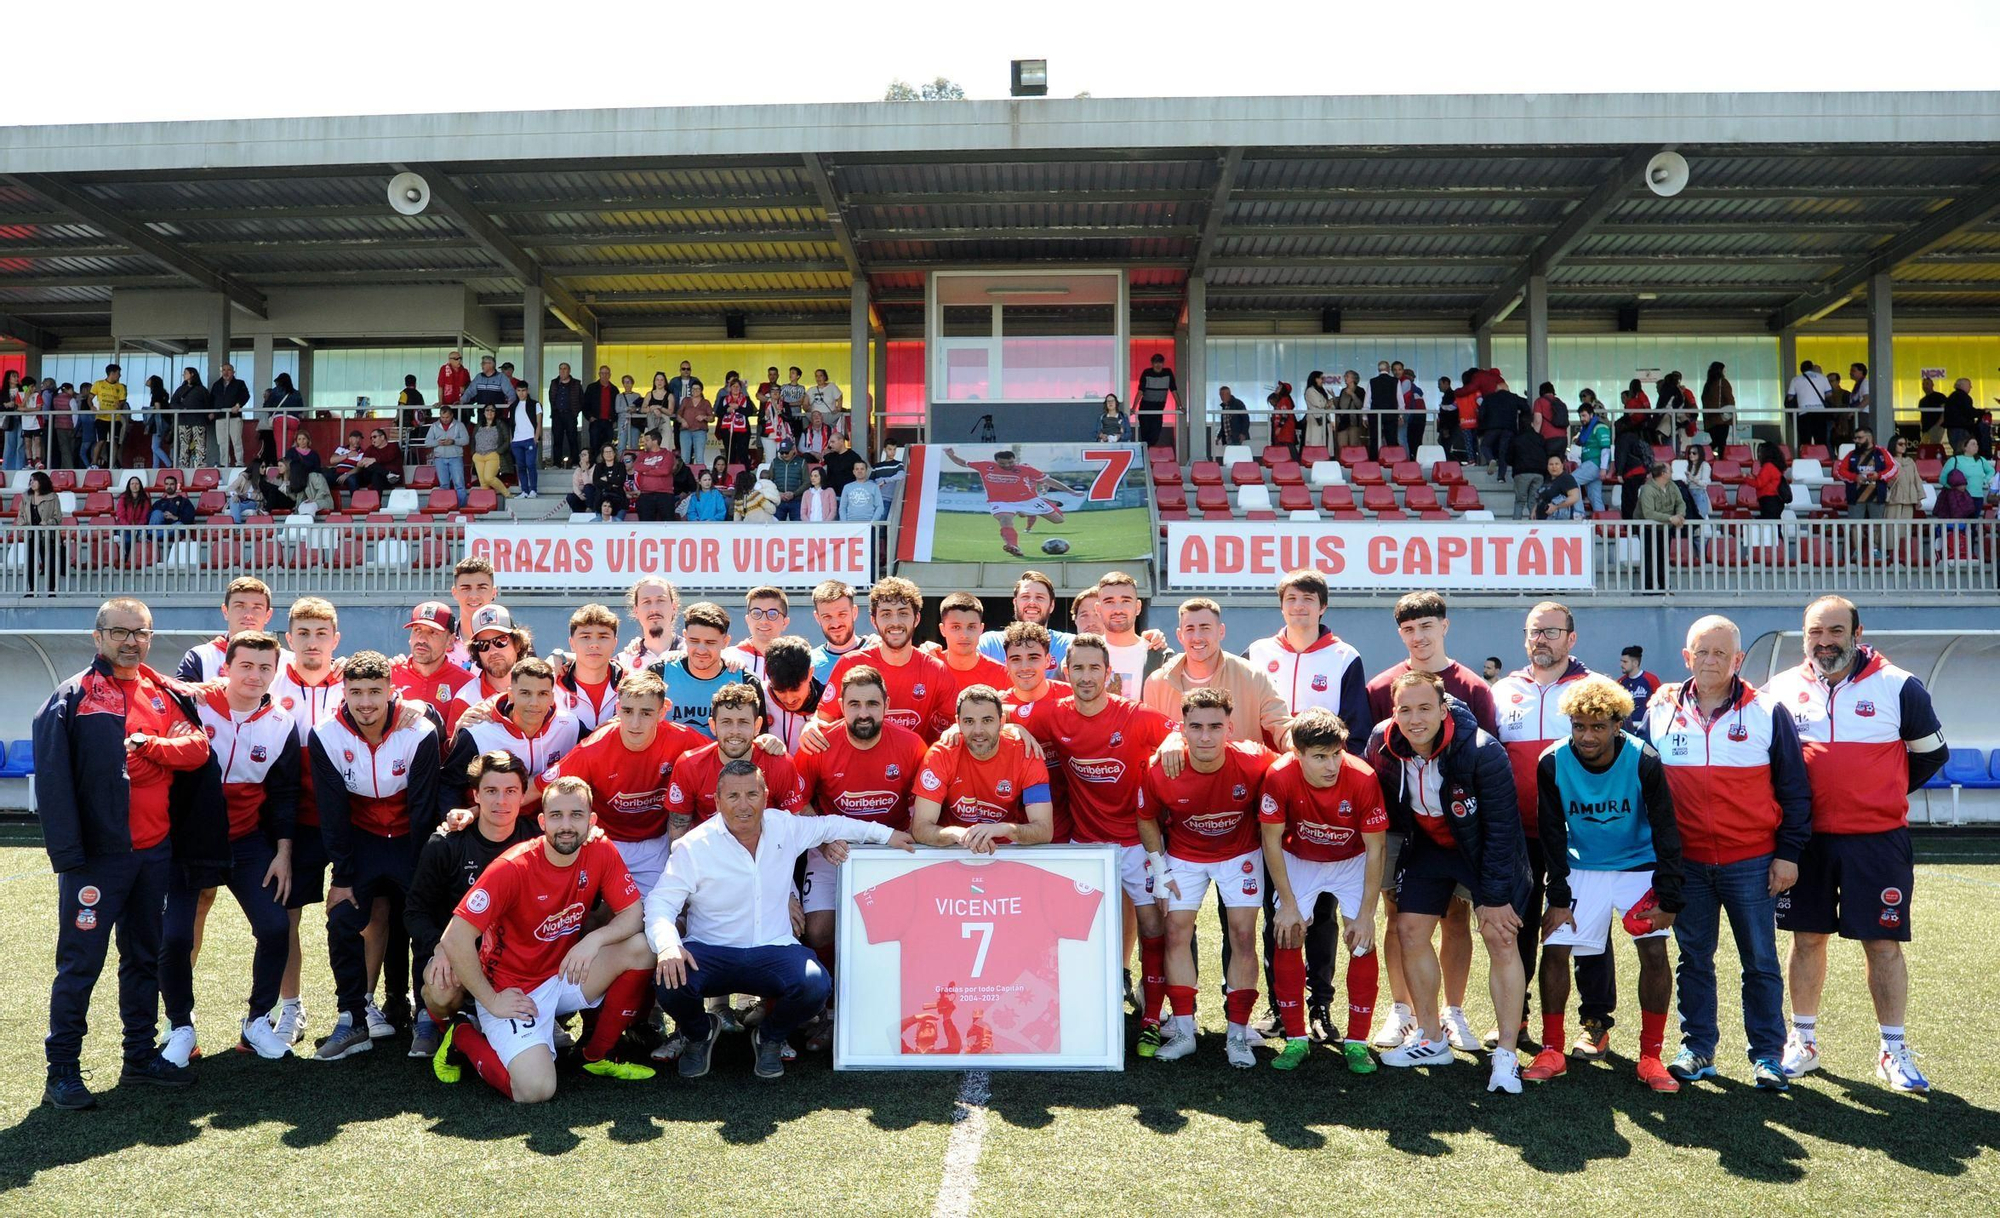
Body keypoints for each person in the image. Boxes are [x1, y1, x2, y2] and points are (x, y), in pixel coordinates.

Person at [36, 598, 223, 1108]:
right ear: (97, 637)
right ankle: (63, 1072)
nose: (130, 641)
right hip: (97, 860)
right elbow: (53, 784)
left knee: (143, 957)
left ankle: (139, 1056)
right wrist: (70, 857)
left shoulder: (164, 692)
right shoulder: (72, 697)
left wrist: (153, 748)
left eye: (140, 632)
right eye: (119, 632)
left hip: (154, 855)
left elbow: (196, 748)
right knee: (80, 965)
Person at [1766, 597, 1947, 1092]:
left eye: (1835, 631)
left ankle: (1893, 1049)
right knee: (1806, 939)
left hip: (1877, 841)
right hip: (1806, 842)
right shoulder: (1779, 690)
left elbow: (1931, 756)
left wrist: (1880, 792)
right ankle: (1802, 1041)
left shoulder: (1899, 685)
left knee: (1882, 943)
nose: (1825, 642)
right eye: (1815, 633)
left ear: (1857, 632)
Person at [650, 761, 913, 1078]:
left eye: (752, 794)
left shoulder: (784, 826)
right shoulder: (693, 846)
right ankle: (698, 1032)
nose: (744, 805)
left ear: (765, 795)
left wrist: (888, 836)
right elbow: (661, 902)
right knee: (669, 979)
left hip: (773, 948)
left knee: (815, 984)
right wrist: (667, 946)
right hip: (711, 950)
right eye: (733, 796)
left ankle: (769, 1037)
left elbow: (833, 825)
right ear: (717, 802)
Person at [1646, 615, 1810, 1090]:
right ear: (1686, 657)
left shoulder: (1767, 710)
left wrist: (1788, 854)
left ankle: (1766, 1055)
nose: (1711, 660)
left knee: (1759, 961)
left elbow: (1795, 791)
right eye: (1702, 651)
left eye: (1722, 653)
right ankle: (1698, 1049)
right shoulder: (1659, 711)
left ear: (1738, 660)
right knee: (1693, 959)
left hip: (1753, 861)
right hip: (1687, 865)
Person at [437, 775, 657, 1099]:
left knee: (643, 948)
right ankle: (463, 1033)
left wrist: (593, 940)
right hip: (513, 990)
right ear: (542, 821)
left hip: (561, 975)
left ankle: (595, 1056)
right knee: (534, 1090)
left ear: (592, 820)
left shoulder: (599, 850)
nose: (566, 825)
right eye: (556, 816)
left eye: (576, 815)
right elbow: (454, 938)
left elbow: (634, 913)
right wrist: (492, 1000)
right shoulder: (512, 867)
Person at [1367, 670, 1532, 1094]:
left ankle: (1506, 1055)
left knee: (1499, 935)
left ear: (1444, 710)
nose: (1414, 718)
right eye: (1405, 709)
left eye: (1425, 708)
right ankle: (1431, 1037)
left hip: (1482, 849)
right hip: (1429, 844)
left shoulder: (1480, 750)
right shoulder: (1382, 741)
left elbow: (1500, 829)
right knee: (1409, 929)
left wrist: (1494, 897)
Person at [1528, 676, 1684, 1092]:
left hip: (1638, 867)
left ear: (1618, 724)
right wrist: (1558, 895)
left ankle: (1651, 1056)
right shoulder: (1552, 761)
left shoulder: (1643, 759)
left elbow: (1666, 829)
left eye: (1598, 726)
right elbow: (1551, 834)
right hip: (1583, 867)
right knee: (1556, 947)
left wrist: (1668, 897)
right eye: (1579, 726)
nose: (1587, 735)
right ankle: (1553, 1048)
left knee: (1654, 952)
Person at [1015, 634, 1173, 1043]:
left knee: (1154, 925)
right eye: (1079, 668)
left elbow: (1177, 733)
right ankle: (1072, 1010)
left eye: (1094, 668)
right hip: (1084, 845)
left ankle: (1152, 1018)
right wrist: (1018, 732)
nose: (1086, 676)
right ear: (1066, 672)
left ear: (1109, 673)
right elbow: (1002, 721)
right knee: (1068, 930)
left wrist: (1173, 742)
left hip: (1135, 843)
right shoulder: (1054, 714)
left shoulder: (1136, 715)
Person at [159, 631, 300, 1065]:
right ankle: (180, 1026)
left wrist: (282, 852)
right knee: (176, 935)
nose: (255, 676)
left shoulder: (282, 722)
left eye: (264, 668)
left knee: (276, 927)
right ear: (226, 667)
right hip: (189, 841)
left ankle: (257, 1020)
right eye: (246, 666)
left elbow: (285, 793)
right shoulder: (193, 704)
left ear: (275, 673)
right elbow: (149, 682)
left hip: (246, 840)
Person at [1363, 591, 1496, 1050]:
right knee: (1398, 916)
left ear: (1445, 626)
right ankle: (1401, 1009)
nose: (1418, 637)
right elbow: (1373, 760)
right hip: (1400, 824)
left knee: (1456, 916)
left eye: (1426, 626)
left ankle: (1453, 1011)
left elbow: (1486, 760)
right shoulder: (1382, 688)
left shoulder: (1473, 687)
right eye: (1408, 629)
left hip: (1458, 825)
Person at [1491, 602, 1617, 1055]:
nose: (1540, 639)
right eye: (1533, 632)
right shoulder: (1503, 690)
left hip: (1582, 834)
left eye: (1551, 631)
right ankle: (1517, 1016)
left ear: (1571, 638)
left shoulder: (1597, 689)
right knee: (1517, 927)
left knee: (1586, 928)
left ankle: (1595, 1021)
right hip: (1519, 833)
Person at [308, 651, 443, 1061]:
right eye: (356, 692)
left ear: (391, 691)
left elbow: (423, 808)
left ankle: (427, 1018)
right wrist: (343, 875)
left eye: (374, 691)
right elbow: (332, 813)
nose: (365, 702)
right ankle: (352, 1019)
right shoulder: (326, 734)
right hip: (363, 840)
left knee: (424, 924)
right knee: (343, 920)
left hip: (409, 840)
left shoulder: (419, 730)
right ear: (343, 693)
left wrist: (422, 875)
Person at [1135, 688, 1276, 1067]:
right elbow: (1145, 816)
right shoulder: (1161, 768)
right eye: (1195, 727)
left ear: (1230, 727)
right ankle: (1184, 1030)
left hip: (1239, 854)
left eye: (1215, 726)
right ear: (1182, 729)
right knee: (1176, 931)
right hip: (1184, 855)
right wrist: (1160, 868)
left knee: (1243, 934)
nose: (1206, 736)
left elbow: (1289, 778)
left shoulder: (1255, 760)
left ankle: (1237, 1034)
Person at [791, 664, 929, 1040]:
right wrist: (821, 838)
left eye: (872, 703)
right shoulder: (819, 745)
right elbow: (797, 803)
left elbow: (925, 804)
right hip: (833, 848)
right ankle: (828, 1007)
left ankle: (894, 1005)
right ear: (842, 707)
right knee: (818, 930)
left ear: (886, 705)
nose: (863, 713)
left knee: (897, 932)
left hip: (892, 849)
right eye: (854, 704)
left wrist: (907, 840)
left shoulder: (911, 745)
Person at [1253, 706, 1387, 1074]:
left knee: (1361, 940)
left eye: (1336, 754)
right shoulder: (1279, 777)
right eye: (1320, 757)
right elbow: (1271, 841)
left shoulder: (1362, 778)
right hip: (1300, 858)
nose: (1331, 766)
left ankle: (1357, 1043)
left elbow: (1376, 848)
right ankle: (1296, 1039)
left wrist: (1366, 915)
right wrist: (1289, 905)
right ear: (1297, 754)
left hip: (1351, 859)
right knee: (1288, 932)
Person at [405, 750, 541, 1060]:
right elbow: (415, 911)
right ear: (476, 794)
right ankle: (436, 1019)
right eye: (491, 791)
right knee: (441, 991)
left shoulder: (538, 842)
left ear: (523, 795)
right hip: (459, 955)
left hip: (517, 960)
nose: (501, 801)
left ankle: (528, 1018)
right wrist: (440, 947)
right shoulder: (446, 844)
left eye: (510, 792)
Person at [544, 671, 709, 902]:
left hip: (656, 845)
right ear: (618, 708)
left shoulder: (683, 740)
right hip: (604, 843)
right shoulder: (594, 748)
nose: (634, 723)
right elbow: (545, 789)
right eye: (628, 711)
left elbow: (726, 759)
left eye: (646, 713)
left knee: (653, 917)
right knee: (586, 917)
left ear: (663, 712)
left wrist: (763, 744)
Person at [910, 686, 1056, 850]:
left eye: (987, 720)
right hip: (953, 850)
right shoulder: (941, 755)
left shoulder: (1026, 753)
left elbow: (1044, 830)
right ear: (958, 723)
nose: (978, 731)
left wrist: (1003, 829)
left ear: (1001, 721)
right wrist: (956, 834)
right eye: (969, 721)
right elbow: (920, 828)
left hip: (1008, 851)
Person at [811, 577, 955, 741]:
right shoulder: (849, 664)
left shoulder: (936, 670)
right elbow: (823, 720)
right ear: (874, 621)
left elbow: (958, 722)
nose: (895, 622)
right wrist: (812, 727)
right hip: (861, 764)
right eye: (886, 614)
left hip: (916, 764)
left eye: (903, 613)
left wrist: (956, 730)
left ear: (916, 619)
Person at [440, 657, 580, 815]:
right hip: (490, 826)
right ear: (511, 695)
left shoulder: (570, 725)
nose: (534, 702)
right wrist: (457, 828)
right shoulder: (478, 732)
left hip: (546, 825)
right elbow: (448, 785)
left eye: (542, 693)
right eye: (525, 693)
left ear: (552, 697)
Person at [932, 592, 1010, 696]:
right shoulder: (929, 668)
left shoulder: (1003, 675)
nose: (964, 635)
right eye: (956, 627)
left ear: (981, 629)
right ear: (942, 629)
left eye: (971, 627)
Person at [1638, 462, 1683, 592]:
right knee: (1649, 558)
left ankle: (1665, 587)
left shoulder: (1672, 486)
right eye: (1670, 471)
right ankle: (1649, 589)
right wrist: (1670, 518)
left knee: (1664, 558)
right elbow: (1648, 513)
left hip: (1665, 528)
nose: (1672, 473)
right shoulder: (1647, 489)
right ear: (1663, 474)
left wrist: (1679, 514)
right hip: (1647, 529)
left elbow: (1680, 502)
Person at [16, 470, 62, 596]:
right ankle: (32, 590)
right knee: (31, 562)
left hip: (46, 536)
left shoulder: (53, 497)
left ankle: (51, 590)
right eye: (30, 480)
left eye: (34, 480)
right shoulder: (26, 497)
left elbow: (58, 517)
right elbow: (20, 515)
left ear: (42, 482)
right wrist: (23, 524)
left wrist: (48, 523)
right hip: (31, 534)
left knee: (49, 563)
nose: (31, 483)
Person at [1836, 427, 1895, 520]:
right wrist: (1854, 477)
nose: (1856, 441)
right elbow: (1839, 471)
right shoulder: (1851, 454)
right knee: (1855, 526)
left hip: (1877, 497)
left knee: (1877, 526)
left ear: (1869, 438)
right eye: (1855, 438)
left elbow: (1893, 468)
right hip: (1855, 498)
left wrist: (1879, 475)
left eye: (1859, 438)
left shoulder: (1881, 452)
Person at [426, 407, 470, 507]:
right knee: (444, 485)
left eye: (447, 417)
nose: (445, 419)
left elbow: (466, 440)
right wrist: (438, 443)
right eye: (442, 417)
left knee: (459, 485)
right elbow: (427, 442)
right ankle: (445, 506)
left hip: (456, 457)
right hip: (440, 458)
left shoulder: (459, 425)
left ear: (451, 415)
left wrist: (454, 441)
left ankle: (461, 508)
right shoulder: (434, 426)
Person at [167, 367, 211, 467]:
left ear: (192, 374)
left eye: (185, 373)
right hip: (184, 420)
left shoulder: (201, 390)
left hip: (198, 420)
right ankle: (183, 466)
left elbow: (208, 404)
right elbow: (173, 403)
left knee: (199, 445)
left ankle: (199, 466)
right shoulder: (181, 389)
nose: (183, 375)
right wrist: (183, 408)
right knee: (184, 445)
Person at [256, 372, 301, 467]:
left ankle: (281, 467)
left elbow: (268, 407)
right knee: (289, 445)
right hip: (293, 420)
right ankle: (289, 466)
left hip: (280, 419)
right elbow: (300, 409)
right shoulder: (296, 393)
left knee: (280, 446)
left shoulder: (275, 392)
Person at [1787, 360, 1834, 449]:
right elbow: (1829, 394)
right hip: (1820, 412)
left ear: (1801, 369)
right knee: (1820, 440)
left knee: (1805, 440)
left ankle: (1806, 459)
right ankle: (1821, 459)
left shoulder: (1796, 379)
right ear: (1812, 368)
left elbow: (1790, 397)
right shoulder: (1822, 378)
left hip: (1803, 412)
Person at [1134, 352, 1177, 448]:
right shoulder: (1147, 373)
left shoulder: (1168, 373)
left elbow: (1174, 390)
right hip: (1145, 409)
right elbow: (1140, 391)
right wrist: (1133, 408)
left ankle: (1148, 456)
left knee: (1155, 436)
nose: (1158, 365)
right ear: (1152, 363)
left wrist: (1180, 406)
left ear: (1163, 363)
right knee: (1145, 437)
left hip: (1158, 410)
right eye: (1156, 362)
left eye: (1160, 362)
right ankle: (1145, 458)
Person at [90, 363, 128, 469]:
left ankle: (113, 463)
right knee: (101, 440)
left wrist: (119, 405)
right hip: (101, 417)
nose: (119, 376)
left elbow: (122, 401)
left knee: (114, 441)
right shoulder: (98, 384)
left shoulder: (120, 387)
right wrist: (91, 406)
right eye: (118, 373)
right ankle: (93, 463)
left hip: (115, 418)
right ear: (112, 373)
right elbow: (90, 398)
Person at [1614, 418, 1653, 521]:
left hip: (1631, 473)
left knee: (1628, 501)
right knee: (1635, 499)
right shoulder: (1637, 436)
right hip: (1642, 471)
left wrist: (1619, 473)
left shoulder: (1623, 438)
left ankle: (1631, 526)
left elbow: (1621, 455)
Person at [1617, 646, 1661, 735]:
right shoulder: (1620, 683)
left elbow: (1660, 702)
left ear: (1635, 663)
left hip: (1648, 728)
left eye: (1625, 662)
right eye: (1621, 661)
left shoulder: (1651, 679)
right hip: (1627, 730)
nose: (1621, 664)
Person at [468, 404, 508, 497]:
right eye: (487, 410)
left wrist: (498, 452)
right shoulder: (479, 424)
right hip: (478, 456)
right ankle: (487, 503)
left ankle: (507, 494)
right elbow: (473, 439)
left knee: (489, 478)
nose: (489, 412)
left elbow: (507, 440)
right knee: (483, 483)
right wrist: (473, 453)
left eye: (492, 410)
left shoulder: (500, 424)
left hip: (492, 455)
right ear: (484, 412)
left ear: (496, 412)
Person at [1508, 426, 1547, 518]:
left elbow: (1508, 457)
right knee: (1533, 501)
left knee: (1520, 501)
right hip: (1539, 473)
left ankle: (1517, 524)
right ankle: (1535, 524)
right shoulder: (1540, 438)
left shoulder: (1516, 439)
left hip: (1521, 472)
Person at [1882, 435, 1923, 521]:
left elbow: (1917, 480)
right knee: (1890, 527)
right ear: (1893, 445)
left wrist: (1919, 498)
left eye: (1905, 444)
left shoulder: (1910, 461)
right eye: (1900, 444)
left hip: (1909, 498)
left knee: (1905, 527)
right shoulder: (1888, 461)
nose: (1904, 446)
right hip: (1893, 498)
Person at [1533, 453, 1581, 521]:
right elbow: (1542, 497)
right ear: (1547, 467)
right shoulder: (1548, 479)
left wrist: (1556, 506)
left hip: (1558, 522)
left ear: (1562, 465)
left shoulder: (1566, 478)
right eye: (1551, 464)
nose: (1554, 467)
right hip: (1542, 520)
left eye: (1557, 464)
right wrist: (1534, 510)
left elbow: (1574, 497)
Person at [1700, 361, 1735, 454]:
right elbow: (1729, 399)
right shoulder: (1722, 382)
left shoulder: (1707, 385)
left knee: (1717, 442)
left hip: (1710, 419)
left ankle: (1701, 453)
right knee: (1721, 444)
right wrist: (1732, 414)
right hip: (1722, 418)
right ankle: (1700, 453)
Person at [838, 458, 882, 522]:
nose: (859, 471)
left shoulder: (874, 487)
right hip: (850, 524)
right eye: (857, 469)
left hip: (868, 524)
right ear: (853, 472)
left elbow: (880, 506)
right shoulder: (847, 487)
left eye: (862, 469)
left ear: (866, 471)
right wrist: (845, 523)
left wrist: (873, 522)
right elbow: (842, 507)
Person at [1754, 442, 1789, 519]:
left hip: (1769, 500)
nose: (1759, 455)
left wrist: (1746, 479)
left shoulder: (1768, 466)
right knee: (1775, 523)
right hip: (1776, 501)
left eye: (1760, 452)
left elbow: (1759, 483)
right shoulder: (1775, 466)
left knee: (1769, 524)